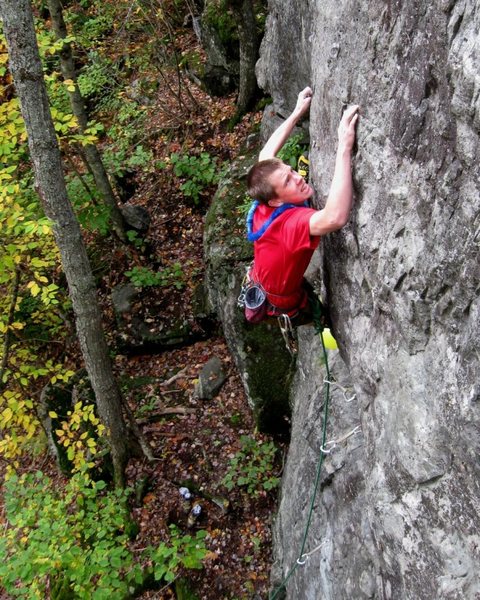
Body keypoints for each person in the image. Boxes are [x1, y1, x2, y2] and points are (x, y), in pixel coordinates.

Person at [246, 87, 359, 320]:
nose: (298, 177)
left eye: (291, 171)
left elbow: (266, 154)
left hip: (264, 279)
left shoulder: (266, 194)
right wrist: (344, 148)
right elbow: (335, 217)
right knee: (321, 317)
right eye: (288, 181)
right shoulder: (290, 226)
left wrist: (297, 112)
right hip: (281, 300)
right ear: (275, 200)